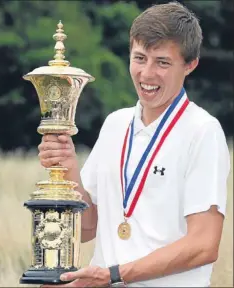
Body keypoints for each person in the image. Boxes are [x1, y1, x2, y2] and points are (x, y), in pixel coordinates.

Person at [39, 1, 230, 287]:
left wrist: (113, 275)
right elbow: (87, 227)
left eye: (162, 62)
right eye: (140, 58)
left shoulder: (203, 131)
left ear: (190, 65)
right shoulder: (116, 124)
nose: (147, 74)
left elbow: (203, 245)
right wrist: (68, 166)